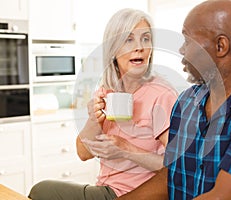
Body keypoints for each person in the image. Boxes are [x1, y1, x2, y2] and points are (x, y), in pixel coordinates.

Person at [117, 0, 231, 199]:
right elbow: (170, 178)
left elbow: (225, 197)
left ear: (220, 46)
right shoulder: (187, 101)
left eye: (187, 41)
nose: (181, 50)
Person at [28, 8, 178, 200]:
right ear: (113, 49)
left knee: (41, 191)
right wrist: (94, 119)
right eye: (129, 39)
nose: (139, 47)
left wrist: (126, 149)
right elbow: (83, 153)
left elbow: (177, 165)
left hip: (132, 194)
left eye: (146, 39)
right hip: (104, 188)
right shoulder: (107, 91)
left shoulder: (161, 95)